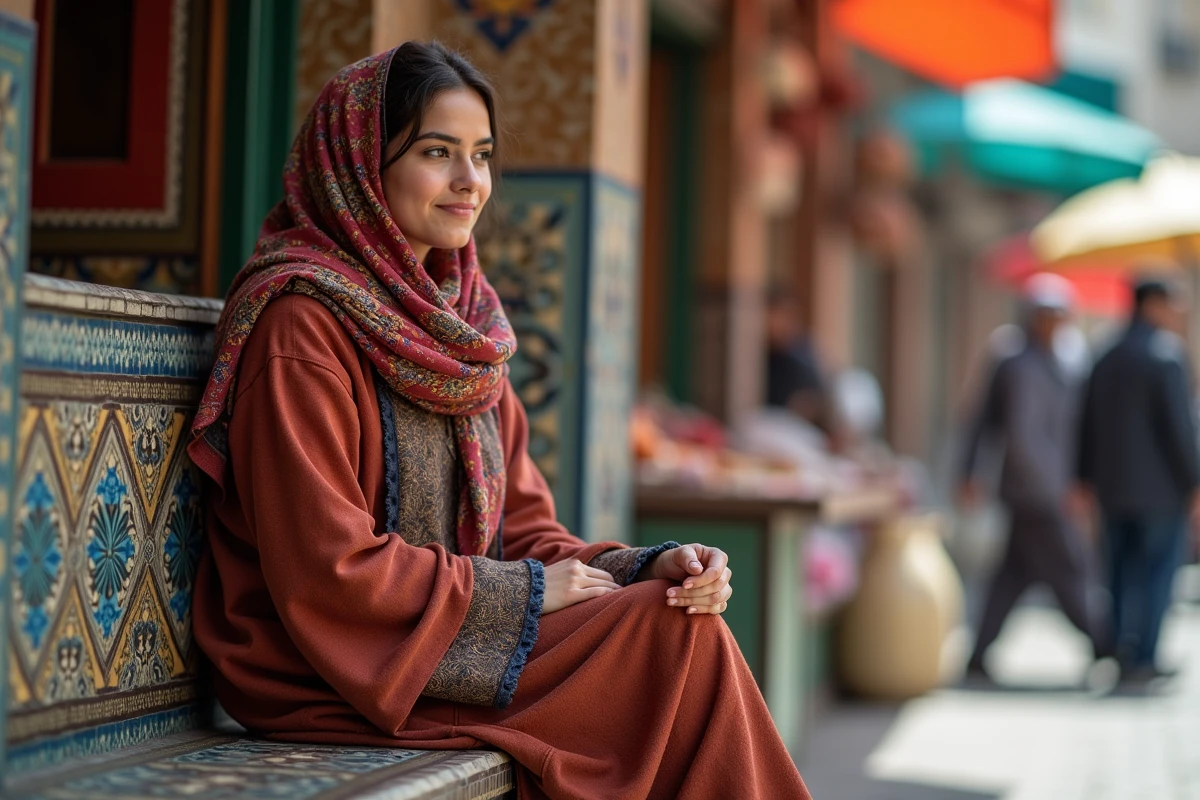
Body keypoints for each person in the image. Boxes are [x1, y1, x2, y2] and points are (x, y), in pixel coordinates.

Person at [187, 43, 809, 799]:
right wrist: (529, 592)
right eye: (436, 152)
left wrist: (648, 566)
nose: (469, 181)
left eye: (481, 155)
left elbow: (526, 533)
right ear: (359, 168)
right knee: (667, 639)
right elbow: (327, 569)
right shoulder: (300, 327)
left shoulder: (465, 331)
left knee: (673, 613)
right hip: (324, 665)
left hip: (451, 637)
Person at [959, 273, 1111, 679]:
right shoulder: (1014, 360)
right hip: (1033, 490)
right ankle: (1105, 643)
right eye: (1045, 314)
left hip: (1054, 486)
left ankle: (979, 652)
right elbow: (990, 424)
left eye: (1058, 315)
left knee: (1013, 574)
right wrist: (969, 471)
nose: (1052, 323)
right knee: (1069, 568)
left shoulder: (1069, 360)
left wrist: (1081, 479)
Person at [1077, 276, 1199, 684]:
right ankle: (1144, 656)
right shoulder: (1167, 356)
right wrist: (1194, 482)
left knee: (1117, 574)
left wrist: (1082, 476)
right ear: (1152, 303)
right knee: (1156, 574)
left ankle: (1118, 651)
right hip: (1161, 493)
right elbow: (1179, 431)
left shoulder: (1105, 354)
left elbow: (1086, 422)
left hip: (1112, 489)